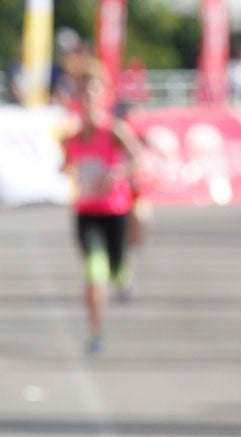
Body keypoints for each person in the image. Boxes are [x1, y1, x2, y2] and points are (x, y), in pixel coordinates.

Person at [62, 62, 143, 354]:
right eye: (82, 91)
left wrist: (117, 172)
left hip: (114, 211)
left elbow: (138, 158)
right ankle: (96, 333)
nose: (87, 97)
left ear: (103, 95)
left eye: (93, 91)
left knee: (114, 268)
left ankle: (124, 275)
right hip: (86, 213)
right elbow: (66, 164)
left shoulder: (114, 130)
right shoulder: (71, 136)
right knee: (94, 272)